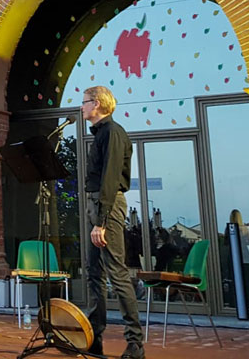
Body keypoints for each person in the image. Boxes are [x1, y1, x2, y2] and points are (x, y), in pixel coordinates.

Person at [82, 86, 144, 359]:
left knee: (116, 273)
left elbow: (110, 177)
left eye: (84, 102)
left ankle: (135, 344)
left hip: (106, 205)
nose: (81, 107)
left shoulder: (112, 132)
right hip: (95, 203)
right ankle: (94, 337)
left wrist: (102, 221)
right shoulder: (100, 134)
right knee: (93, 271)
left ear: (96, 104)